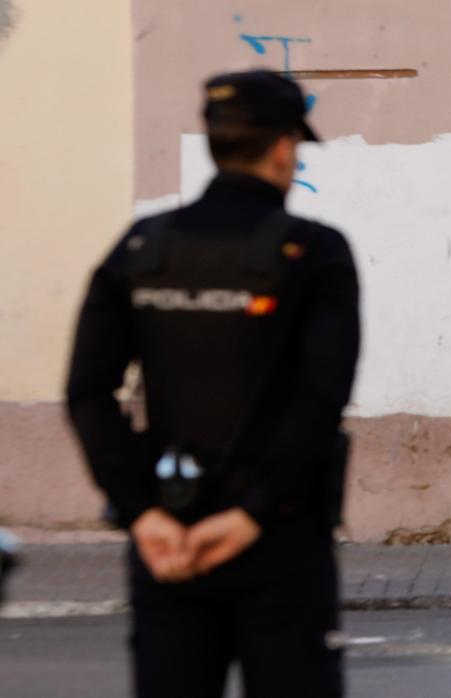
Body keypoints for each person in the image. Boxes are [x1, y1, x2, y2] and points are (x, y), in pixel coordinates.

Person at [66, 69, 359, 698]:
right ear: (284, 146)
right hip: (277, 541)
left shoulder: (142, 247)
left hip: (169, 541)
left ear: (214, 140)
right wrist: (253, 514)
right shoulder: (314, 254)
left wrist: (142, 512)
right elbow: (319, 401)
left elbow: (88, 391)